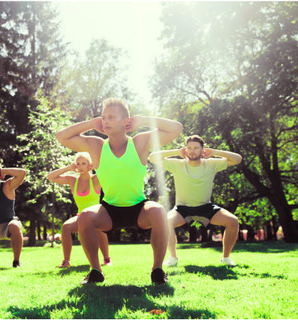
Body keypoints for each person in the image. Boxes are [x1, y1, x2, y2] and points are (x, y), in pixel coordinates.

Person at [56, 98, 183, 285]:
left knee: (158, 211)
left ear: (126, 121)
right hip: (109, 210)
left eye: (111, 117)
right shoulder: (96, 145)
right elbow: (62, 136)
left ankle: (157, 270)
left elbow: (176, 128)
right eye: (104, 117)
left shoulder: (140, 143)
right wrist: (92, 123)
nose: (106, 121)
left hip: (138, 207)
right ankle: (95, 271)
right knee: (84, 216)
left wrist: (143, 120)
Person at [149, 135, 241, 267]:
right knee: (166, 222)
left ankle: (226, 258)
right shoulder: (177, 164)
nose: (192, 150)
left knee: (233, 221)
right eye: (190, 148)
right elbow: (153, 157)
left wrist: (215, 152)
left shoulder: (211, 164)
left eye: (196, 148)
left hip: (206, 207)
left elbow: (237, 159)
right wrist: (176, 152)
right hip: (182, 208)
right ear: (186, 150)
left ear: (202, 150)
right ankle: (173, 257)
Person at [47, 152, 112, 268]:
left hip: (97, 217)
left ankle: (107, 258)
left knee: (99, 228)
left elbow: (109, 170)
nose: (80, 166)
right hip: (81, 218)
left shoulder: (96, 179)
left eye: (83, 163)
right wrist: (68, 168)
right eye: (78, 164)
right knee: (66, 227)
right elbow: (50, 177)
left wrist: (96, 165)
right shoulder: (73, 180)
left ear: (89, 165)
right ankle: (66, 261)